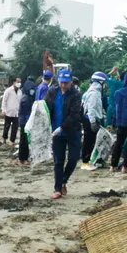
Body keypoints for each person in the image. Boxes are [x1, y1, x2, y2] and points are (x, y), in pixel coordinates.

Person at [46, 68, 83, 200]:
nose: (63, 85)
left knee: (74, 157)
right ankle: (57, 189)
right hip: (56, 133)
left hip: (72, 130)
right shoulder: (52, 92)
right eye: (61, 82)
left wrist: (62, 127)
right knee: (58, 161)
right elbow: (46, 108)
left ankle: (63, 180)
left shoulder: (76, 94)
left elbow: (74, 114)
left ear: (71, 82)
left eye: (66, 83)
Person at [82, 72, 107, 164]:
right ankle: (86, 161)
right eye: (104, 83)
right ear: (100, 82)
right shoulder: (94, 93)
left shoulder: (92, 91)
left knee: (91, 140)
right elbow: (91, 109)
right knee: (89, 141)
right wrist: (93, 122)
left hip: (91, 118)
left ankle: (89, 160)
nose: (105, 85)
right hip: (90, 119)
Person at [17, 76, 37, 165]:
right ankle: (22, 159)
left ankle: (25, 158)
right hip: (24, 121)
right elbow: (26, 112)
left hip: (26, 121)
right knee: (23, 141)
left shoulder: (27, 97)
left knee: (26, 140)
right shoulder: (25, 99)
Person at [1, 78, 21, 145]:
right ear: (14, 82)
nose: (19, 83)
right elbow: (4, 101)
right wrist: (3, 110)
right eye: (18, 82)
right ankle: (4, 138)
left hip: (17, 113)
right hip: (8, 111)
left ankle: (12, 141)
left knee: (15, 128)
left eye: (20, 82)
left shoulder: (20, 91)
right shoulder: (8, 90)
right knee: (7, 126)